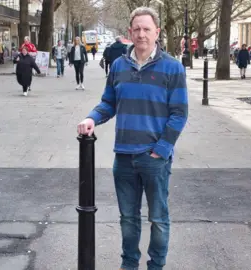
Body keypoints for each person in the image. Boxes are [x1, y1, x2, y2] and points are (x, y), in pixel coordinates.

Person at [77, 7, 188, 270]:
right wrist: (92, 118)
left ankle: (156, 266)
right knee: (128, 218)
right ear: (130, 32)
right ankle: (129, 265)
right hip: (124, 157)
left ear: (156, 32)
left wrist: (160, 150)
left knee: (159, 219)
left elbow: (179, 114)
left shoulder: (172, 68)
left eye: (147, 29)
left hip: (154, 158)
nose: (141, 34)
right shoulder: (119, 65)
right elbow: (108, 102)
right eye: (136, 29)